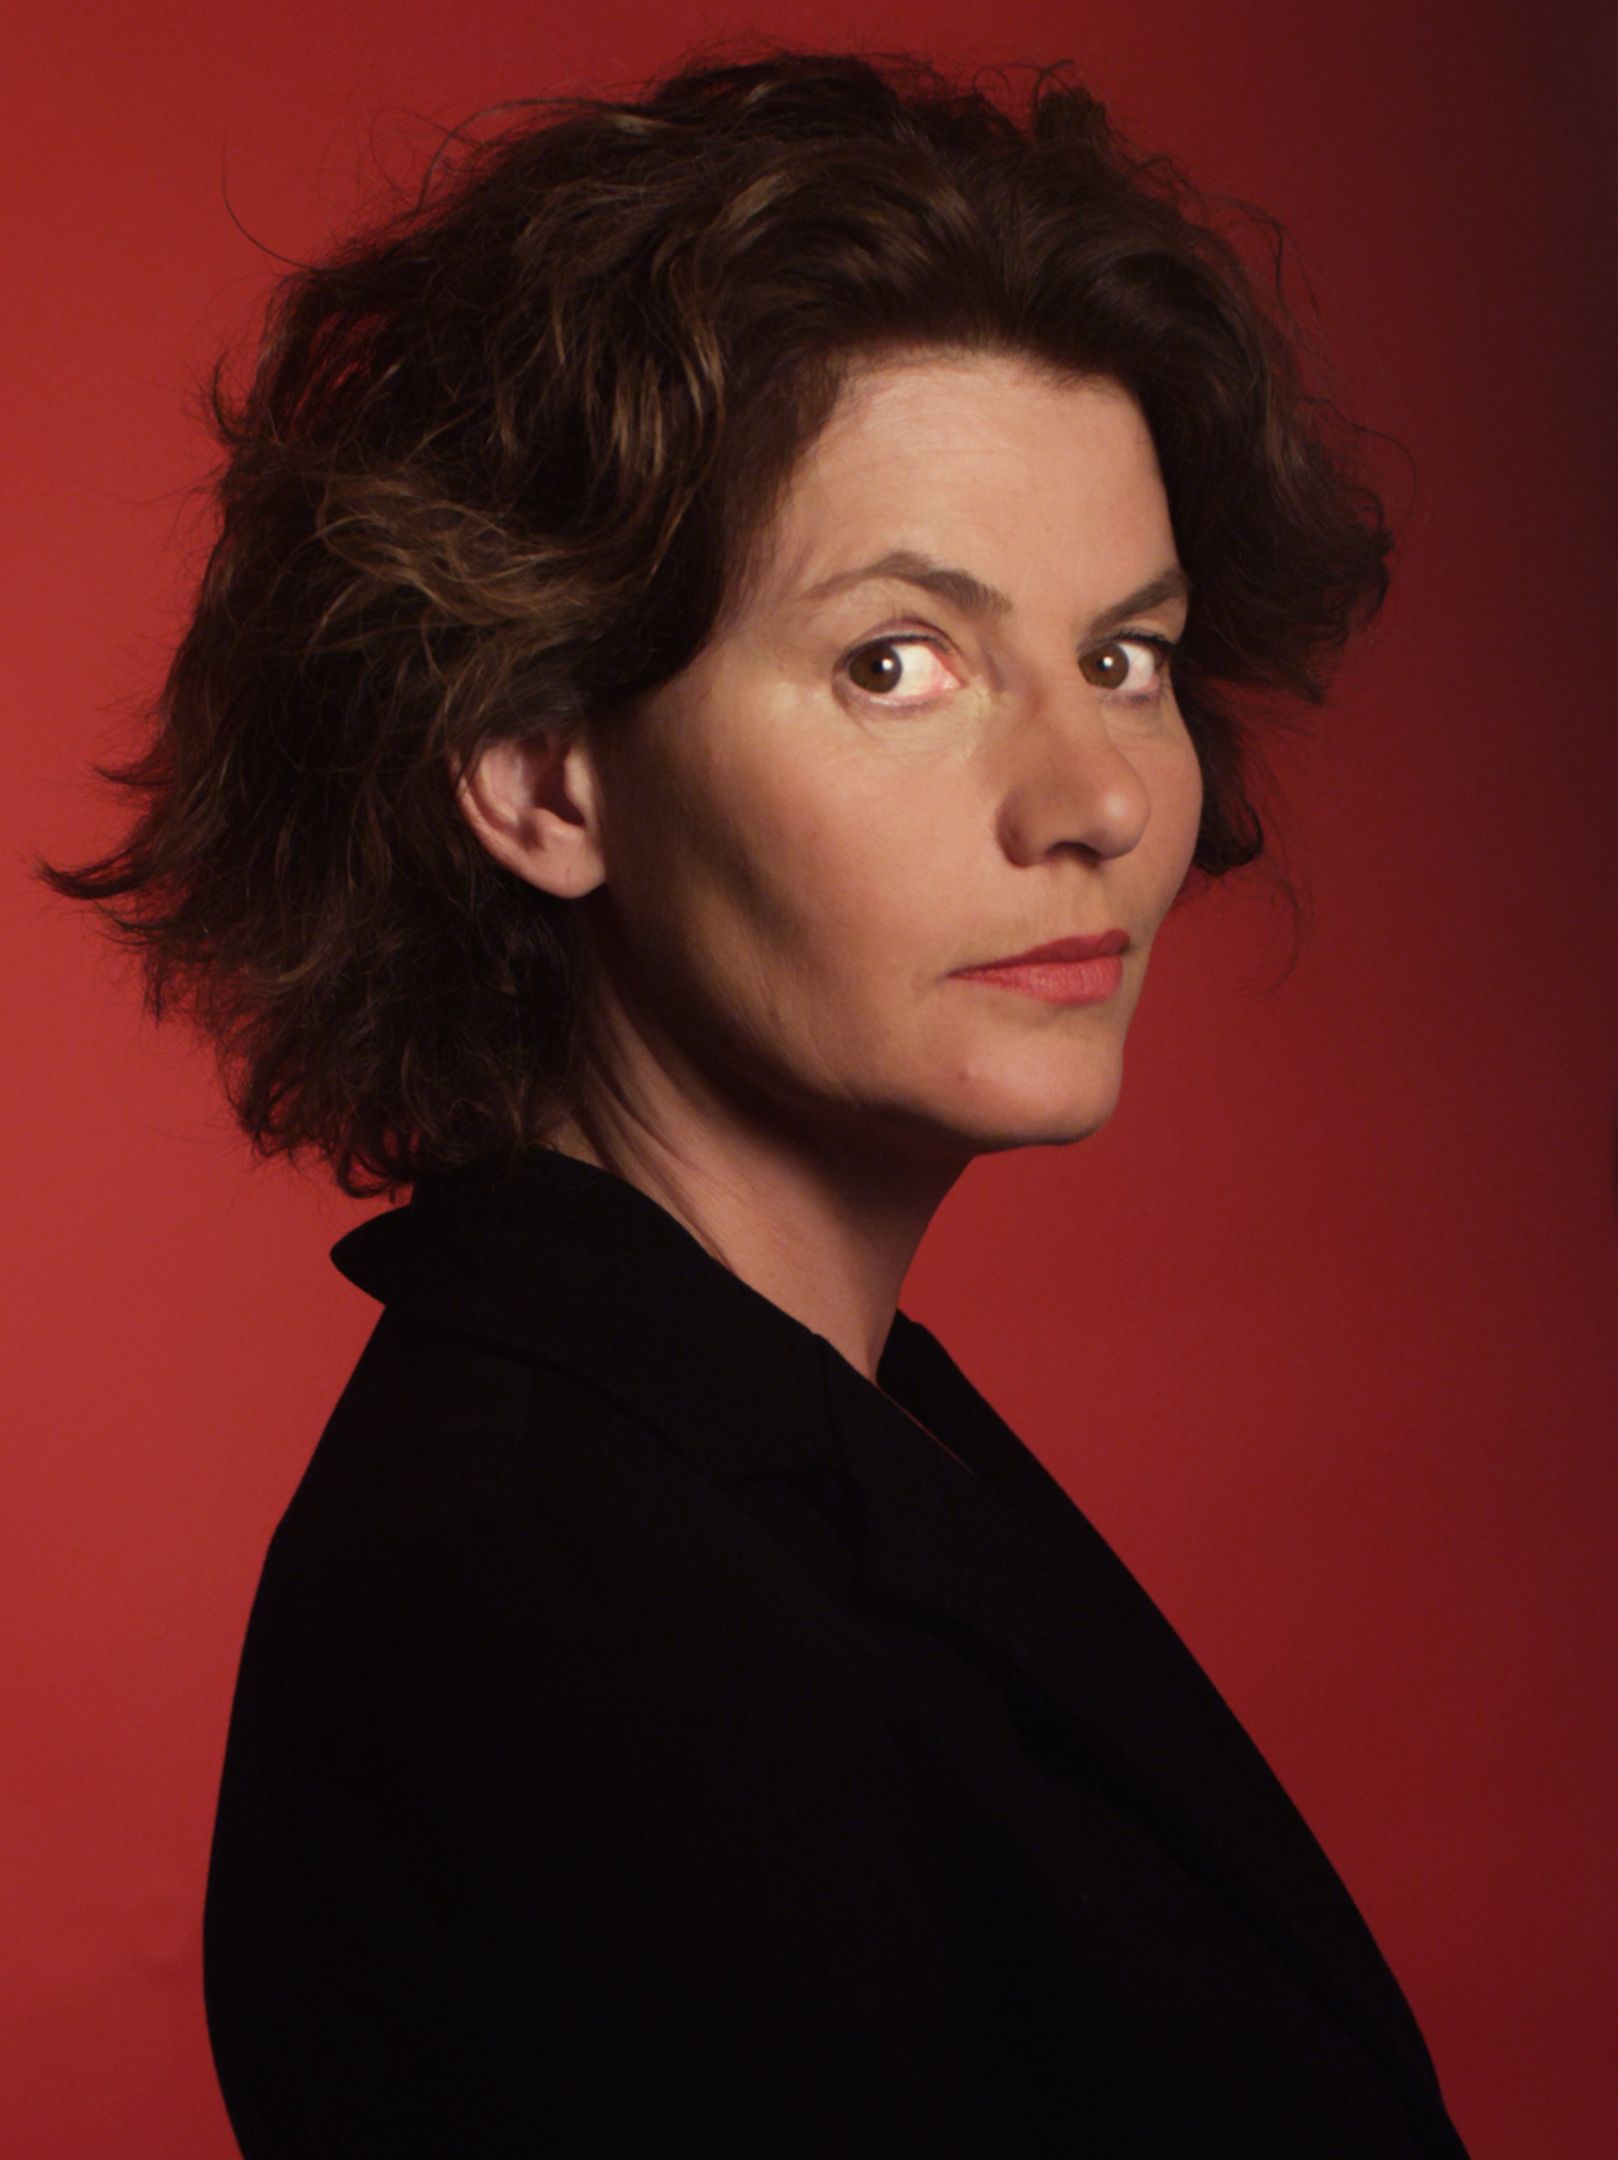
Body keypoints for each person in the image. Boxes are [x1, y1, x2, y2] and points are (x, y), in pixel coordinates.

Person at [36, 42, 1473, 2157]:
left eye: (1126, 657)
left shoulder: (780, 1448)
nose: (1091, 796)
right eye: (898, 660)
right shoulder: (554, 1616)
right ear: (539, 776)